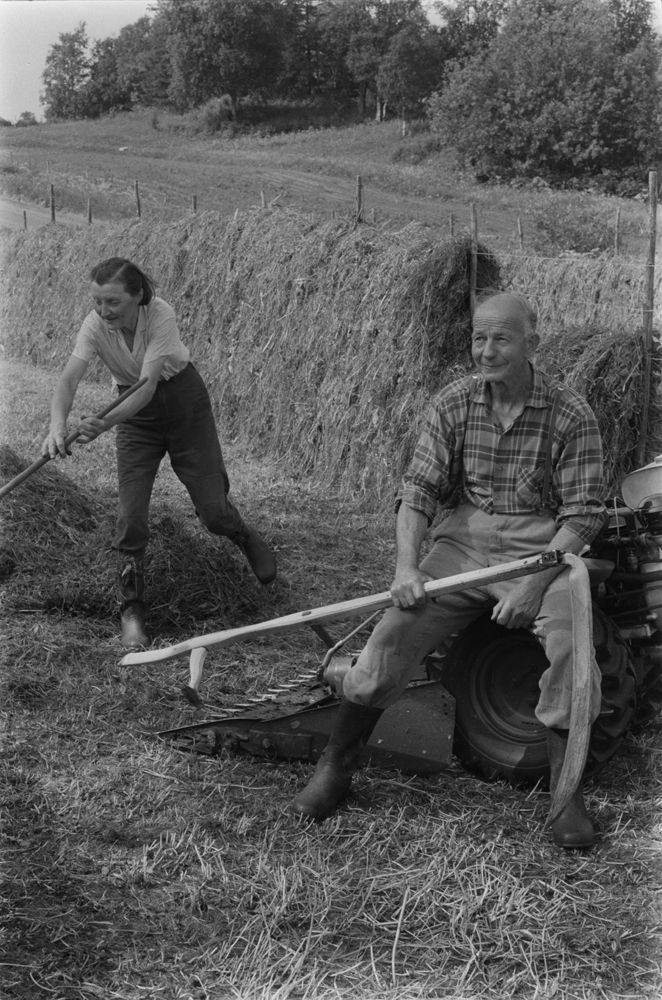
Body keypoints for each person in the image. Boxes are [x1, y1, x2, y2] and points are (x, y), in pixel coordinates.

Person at [289, 290, 608, 849]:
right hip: (464, 540)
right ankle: (336, 769)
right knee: (393, 633)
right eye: (479, 338)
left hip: (543, 545)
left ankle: (566, 792)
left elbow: (582, 517)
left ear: (531, 342)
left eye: (501, 338)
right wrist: (407, 569)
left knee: (570, 644)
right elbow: (417, 493)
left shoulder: (570, 412)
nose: (486, 351)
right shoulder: (455, 402)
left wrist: (535, 584)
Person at [42, 257, 277, 650]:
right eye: (98, 302)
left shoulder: (160, 314)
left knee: (214, 512)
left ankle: (243, 534)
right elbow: (68, 378)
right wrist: (57, 427)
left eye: (113, 302)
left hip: (183, 404)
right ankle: (131, 610)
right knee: (130, 517)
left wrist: (105, 423)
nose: (103, 311)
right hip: (136, 421)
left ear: (138, 296)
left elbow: (148, 385)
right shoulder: (94, 325)